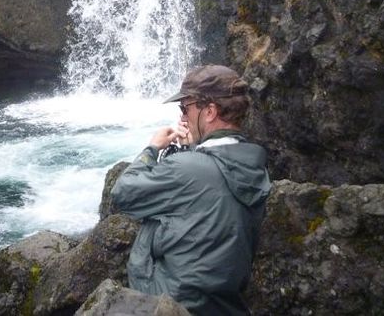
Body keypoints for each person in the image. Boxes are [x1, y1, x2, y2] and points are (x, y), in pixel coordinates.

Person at [110, 65, 270, 316]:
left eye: (185, 108)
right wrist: (190, 153)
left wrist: (152, 149)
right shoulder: (253, 166)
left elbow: (123, 193)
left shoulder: (189, 168)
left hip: (170, 304)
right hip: (222, 304)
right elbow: (202, 198)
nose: (182, 117)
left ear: (209, 112)